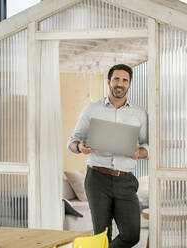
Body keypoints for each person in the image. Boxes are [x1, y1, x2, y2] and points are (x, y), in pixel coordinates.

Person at [67, 64, 148, 248]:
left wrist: (138, 152)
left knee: (131, 235)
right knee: (102, 234)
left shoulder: (140, 114)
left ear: (130, 84)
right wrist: (80, 147)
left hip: (125, 180)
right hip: (97, 179)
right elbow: (72, 141)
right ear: (108, 82)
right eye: (116, 79)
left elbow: (147, 146)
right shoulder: (91, 109)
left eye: (125, 80)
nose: (120, 84)